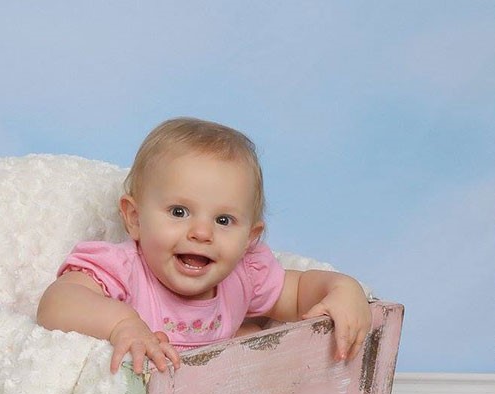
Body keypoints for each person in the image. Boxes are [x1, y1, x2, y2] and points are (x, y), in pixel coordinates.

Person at [37, 117, 371, 374]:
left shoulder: (244, 275)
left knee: (250, 338)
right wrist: (123, 325)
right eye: (179, 212)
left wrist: (344, 288)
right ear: (135, 218)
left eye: (223, 220)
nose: (201, 232)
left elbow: (298, 293)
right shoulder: (124, 268)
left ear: (249, 239)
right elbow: (58, 302)